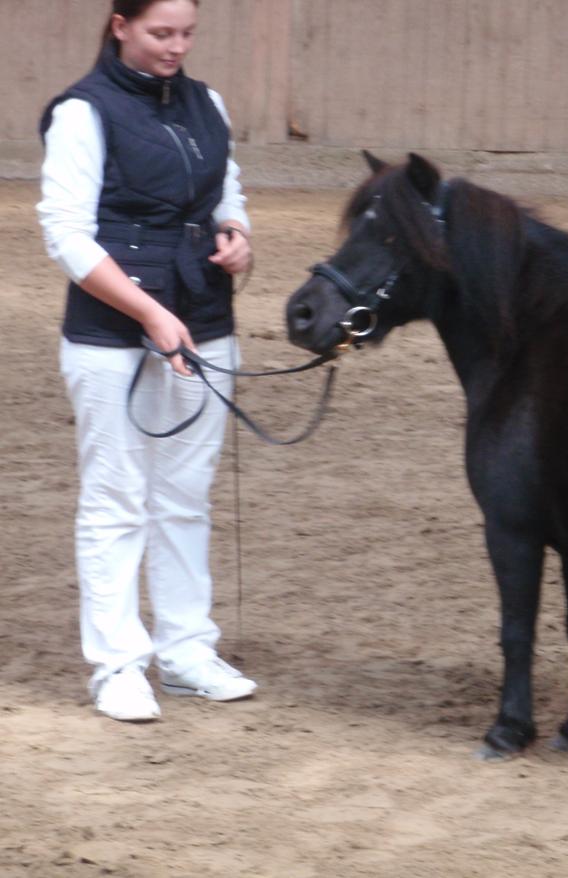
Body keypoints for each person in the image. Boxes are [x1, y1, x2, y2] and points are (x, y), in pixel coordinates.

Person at [38, 0, 257, 721]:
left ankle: (188, 650)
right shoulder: (83, 113)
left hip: (204, 322)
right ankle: (118, 665)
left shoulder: (208, 104)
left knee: (185, 497)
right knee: (115, 500)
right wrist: (151, 314)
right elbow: (66, 235)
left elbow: (227, 193)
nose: (177, 47)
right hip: (113, 336)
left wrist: (236, 235)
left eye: (188, 34)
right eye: (162, 33)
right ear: (120, 25)